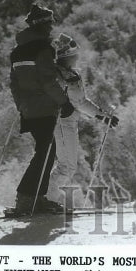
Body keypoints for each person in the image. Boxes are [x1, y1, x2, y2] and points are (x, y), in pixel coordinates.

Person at [8, 3, 68, 215]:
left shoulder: (16, 52)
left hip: (28, 110)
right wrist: (65, 102)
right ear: (41, 26)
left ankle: (36, 198)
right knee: (46, 152)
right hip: (45, 108)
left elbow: (14, 84)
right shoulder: (44, 49)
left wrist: (21, 105)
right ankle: (26, 198)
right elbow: (48, 81)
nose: (51, 28)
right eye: (49, 24)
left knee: (46, 151)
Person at [47, 33, 118, 208]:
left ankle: (47, 198)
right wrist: (101, 116)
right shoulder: (60, 75)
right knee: (67, 166)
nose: (78, 56)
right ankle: (47, 200)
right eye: (75, 53)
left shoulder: (70, 74)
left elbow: (81, 102)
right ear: (67, 55)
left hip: (68, 122)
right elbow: (78, 102)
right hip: (62, 123)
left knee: (66, 165)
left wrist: (102, 116)